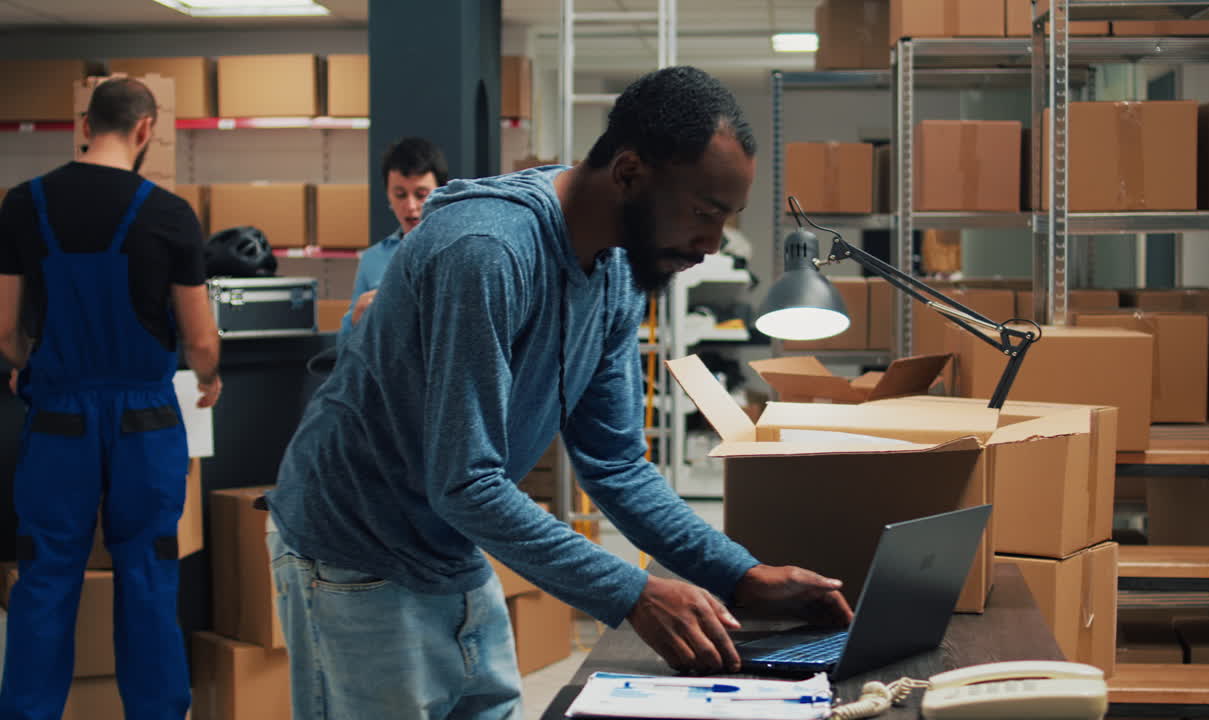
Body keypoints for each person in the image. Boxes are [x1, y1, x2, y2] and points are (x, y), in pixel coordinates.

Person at [264, 66, 852, 719]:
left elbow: (617, 463)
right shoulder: (489, 251)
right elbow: (464, 482)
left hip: (447, 547)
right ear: (628, 174)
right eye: (703, 214)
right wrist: (633, 593)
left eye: (726, 219)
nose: (712, 245)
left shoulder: (616, 274)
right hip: (353, 553)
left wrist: (738, 575)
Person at [0, 78, 222, 720]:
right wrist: (208, 376)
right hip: (144, 423)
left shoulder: (22, 205)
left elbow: (5, 329)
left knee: (44, 576)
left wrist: (27, 365)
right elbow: (201, 338)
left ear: (84, 124)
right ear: (146, 129)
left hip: (58, 420)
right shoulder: (169, 213)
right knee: (149, 578)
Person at [338, 137, 449, 341]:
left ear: (441, 193)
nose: (410, 206)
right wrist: (355, 320)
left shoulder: (458, 252)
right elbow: (346, 349)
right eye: (400, 194)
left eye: (421, 194)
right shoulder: (372, 259)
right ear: (388, 195)